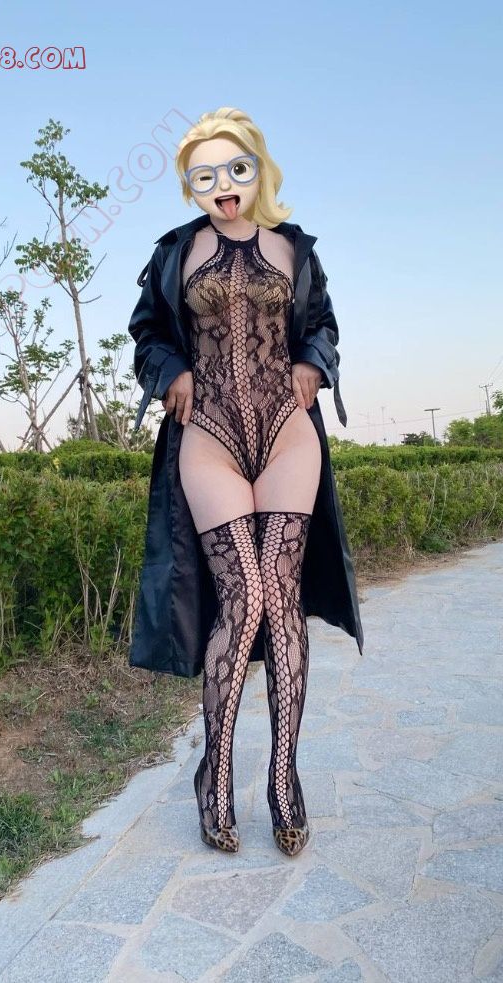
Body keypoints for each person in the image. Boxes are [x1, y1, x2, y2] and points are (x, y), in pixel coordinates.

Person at [128, 107, 363, 858]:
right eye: (205, 174)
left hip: (286, 431)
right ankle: (217, 770)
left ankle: (284, 776)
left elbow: (323, 326)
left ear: (258, 170)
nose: (223, 185)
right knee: (246, 596)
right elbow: (147, 333)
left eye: (236, 168)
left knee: (281, 597)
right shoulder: (176, 251)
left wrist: (312, 363)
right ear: (190, 185)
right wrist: (170, 371)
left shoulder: (296, 249)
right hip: (210, 434)